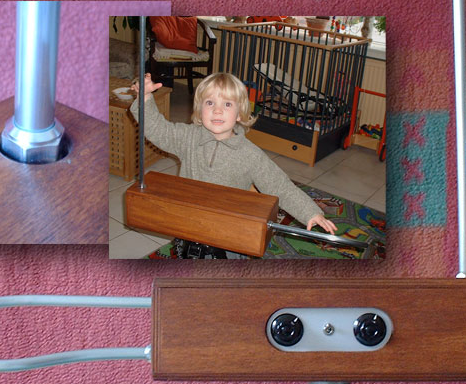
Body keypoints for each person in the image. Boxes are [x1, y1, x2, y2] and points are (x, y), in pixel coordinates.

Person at [129, 72, 337, 258]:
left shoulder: (250, 154)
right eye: (210, 103)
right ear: (200, 110)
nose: (217, 111)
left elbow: (279, 185)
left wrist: (310, 212)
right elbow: (158, 130)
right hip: (192, 222)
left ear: (239, 114)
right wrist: (145, 98)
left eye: (227, 105)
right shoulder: (188, 138)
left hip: (229, 230)